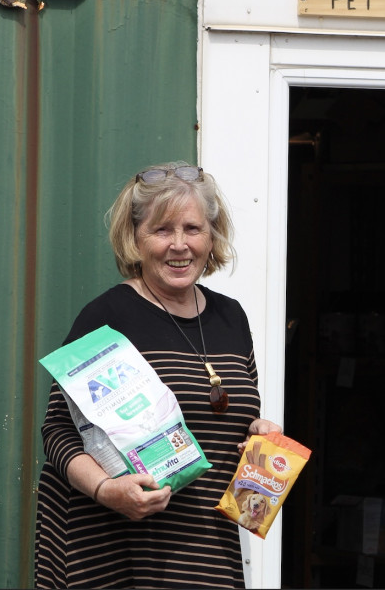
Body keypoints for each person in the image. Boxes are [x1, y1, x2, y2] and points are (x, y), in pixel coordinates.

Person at [35, 161, 282, 588]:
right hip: (121, 557)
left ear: (212, 235)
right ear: (135, 238)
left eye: (192, 228)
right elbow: (58, 429)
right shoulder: (108, 317)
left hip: (208, 556)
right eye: (162, 230)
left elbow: (239, 421)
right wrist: (107, 491)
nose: (179, 245)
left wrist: (261, 436)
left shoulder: (232, 318)